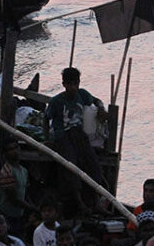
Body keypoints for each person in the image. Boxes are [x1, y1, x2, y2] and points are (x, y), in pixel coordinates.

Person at [45, 67, 108, 216]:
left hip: (79, 135)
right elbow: (46, 118)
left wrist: (100, 108)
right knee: (71, 167)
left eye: (76, 84)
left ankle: (96, 202)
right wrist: (47, 139)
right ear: (64, 84)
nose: (73, 87)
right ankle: (80, 203)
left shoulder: (82, 95)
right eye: (70, 84)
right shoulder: (56, 101)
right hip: (63, 136)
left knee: (94, 165)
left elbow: (96, 100)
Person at [0, 138, 36, 238]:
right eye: (10, 149)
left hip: (20, 214)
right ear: (5, 154)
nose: (14, 151)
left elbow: (25, 192)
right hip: (8, 215)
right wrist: (32, 208)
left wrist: (32, 207)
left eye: (16, 147)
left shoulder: (24, 171)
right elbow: (13, 199)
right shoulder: (6, 172)